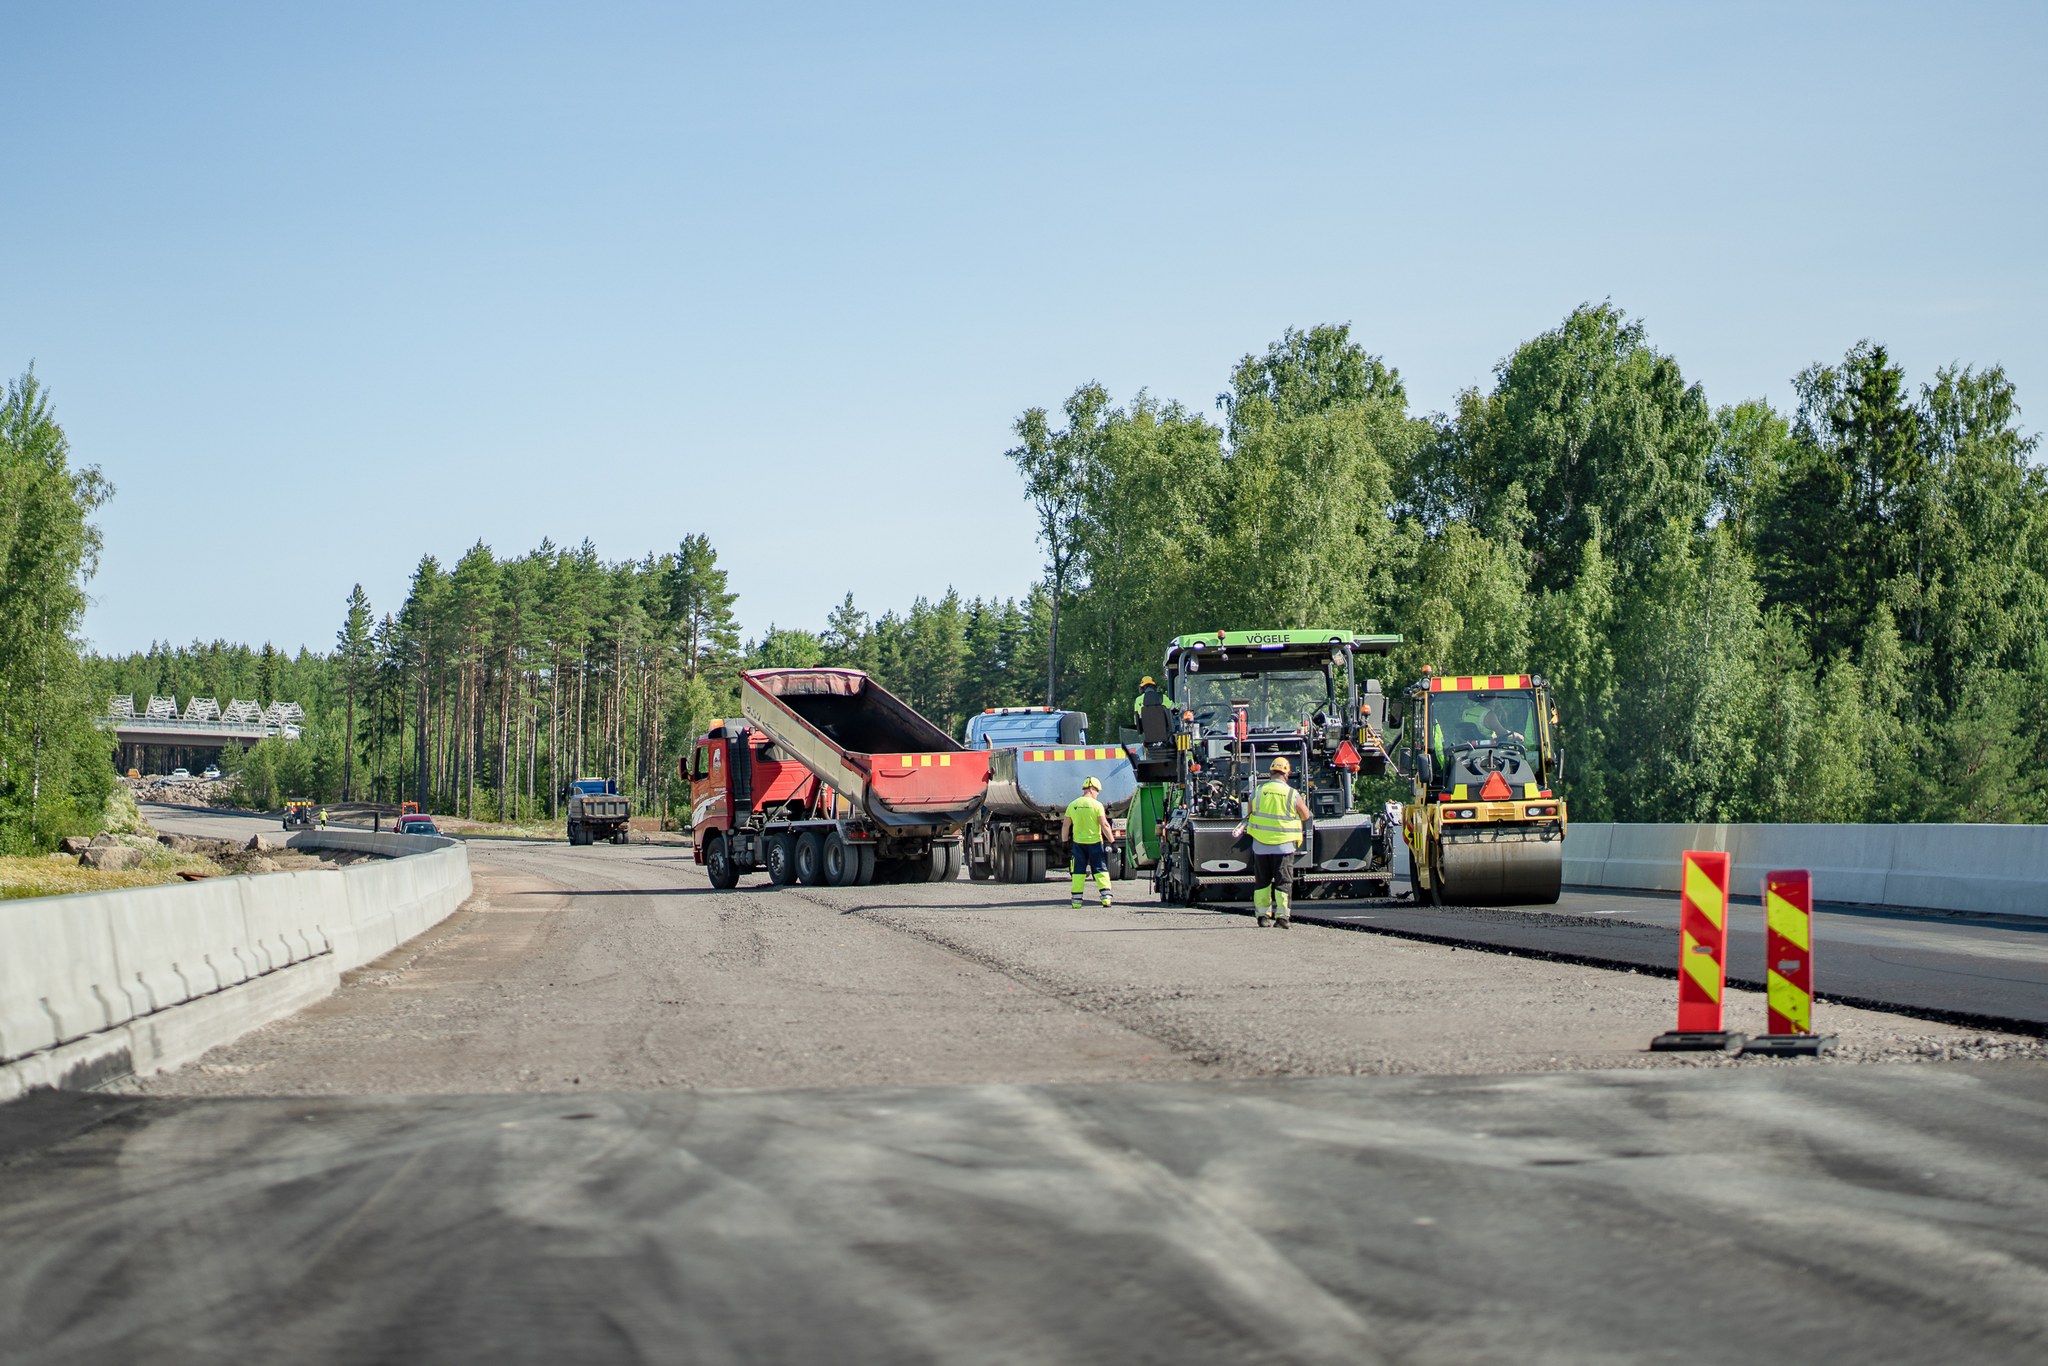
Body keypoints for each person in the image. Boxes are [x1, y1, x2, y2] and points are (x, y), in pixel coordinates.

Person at [1236, 756, 1313, 928]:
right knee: (1283, 880)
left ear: (1270, 772)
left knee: (1262, 881)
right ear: (1287, 774)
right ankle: (1282, 918)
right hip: (1284, 845)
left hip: (1260, 845)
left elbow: (1250, 812)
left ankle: (1262, 916)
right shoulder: (1292, 794)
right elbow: (1306, 815)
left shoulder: (1257, 791)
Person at [1060, 775, 1115, 910]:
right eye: (1097, 791)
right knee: (1100, 869)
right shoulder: (1097, 805)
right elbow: (1104, 825)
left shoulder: (1073, 805)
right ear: (1092, 789)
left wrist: (1064, 841)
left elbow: (1066, 825)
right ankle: (1106, 898)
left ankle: (1076, 901)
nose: (1097, 794)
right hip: (1095, 843)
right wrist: (1112, 842)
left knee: (1078, 871)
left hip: (1078, 844)